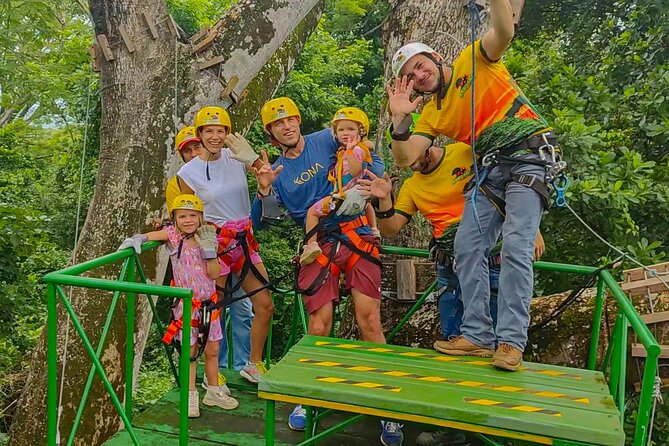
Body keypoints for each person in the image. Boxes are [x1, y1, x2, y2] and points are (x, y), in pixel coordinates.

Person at [387, 0, 560, 371]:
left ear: (434, 57)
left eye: (420, 66)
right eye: (411, 76)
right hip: (493, 167)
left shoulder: (472, 58)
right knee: (466, 244)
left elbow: (504, 31)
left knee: (515, 246)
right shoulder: (431, 112)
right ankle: (477, 334)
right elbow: (405, 158)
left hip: (529, 153)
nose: (419, 76)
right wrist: (400, 119)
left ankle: (511, 341)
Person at [248, 97, 404, 446]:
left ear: (299, 121)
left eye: (290, 120)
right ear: (271, 133)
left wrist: (365, 172)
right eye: (278, 124)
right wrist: (263, 189)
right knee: (319, 325)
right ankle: (308, 396)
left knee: (370, 321)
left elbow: (370, 159)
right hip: (317, 242)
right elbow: (261, 222)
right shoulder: (275, 171)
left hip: (357, 231)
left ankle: (387, 408)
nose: (286, 126)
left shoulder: (327, 137)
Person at [118, 194, 239, 417]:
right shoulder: (175, 237)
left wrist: (210, 251)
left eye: (192, 215)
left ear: (201, 217)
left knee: (213, 349)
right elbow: (156, 234)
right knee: (189, 352)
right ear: (174, 218)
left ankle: (213, 390)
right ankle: (190, 395)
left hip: (208, 305)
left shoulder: (208, 237)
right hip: (187, 305)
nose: (187, 220)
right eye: (182, 216)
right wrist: (139, 239)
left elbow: (214, 275)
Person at [177, 105, 274, 384]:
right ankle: (210, 374)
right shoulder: (188, 172)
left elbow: (264, 173)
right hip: (215, 243)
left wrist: (253, 159)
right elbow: (189, 213)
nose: (216, 137)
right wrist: (202, 249)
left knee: (265, 304)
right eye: (210, 131)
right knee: (212, 311)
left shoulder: (236, 156)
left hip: (244, 240)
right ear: (200, 134)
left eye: (221, 131)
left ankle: (253, 363)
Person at [168, 126, 253, 394]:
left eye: (196, 147)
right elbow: (179, 224)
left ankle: (241, 364)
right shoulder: (181, 183)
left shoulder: (225, 164)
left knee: (243, 308)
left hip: (236, 243)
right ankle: (215, 373)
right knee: (215, 313)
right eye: (187, 150)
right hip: (206, 260)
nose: (194, 153)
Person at [300, 107, 379, 265]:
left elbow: (356, 170)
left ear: (360, 131)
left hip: (345, 196)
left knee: (312, 213)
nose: (345, 133)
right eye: (341, 129)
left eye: (351, 129)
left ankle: (311, 244)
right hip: (355, 193)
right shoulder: (344, 150)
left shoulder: (356, 150)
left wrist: (350, 152)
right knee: (367, 204)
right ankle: (374, 229)